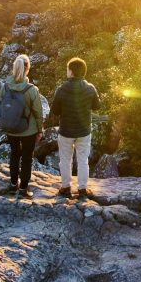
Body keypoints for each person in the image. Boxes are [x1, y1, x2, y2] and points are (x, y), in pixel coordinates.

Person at [51, 57, 101, 198]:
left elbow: (55, 111)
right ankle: (83, 189)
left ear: (71, 72)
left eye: (68, 69)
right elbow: (97, 106)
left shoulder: (61, 89)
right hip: (84, 131)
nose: (67, 72)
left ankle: (66, 187)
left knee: (65, 160)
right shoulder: (90, 88)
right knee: (83, 160)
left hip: (66, 131)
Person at [0, 54, 44, 198]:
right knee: (26, 158)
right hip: (28, 130)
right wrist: (40, 129)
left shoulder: (5, 86)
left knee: (14, 155)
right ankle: (23, 189)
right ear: (27, 69)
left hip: (11, 128)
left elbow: (1, 103)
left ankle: (12, 185)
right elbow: (38, 112)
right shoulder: (31, 89)